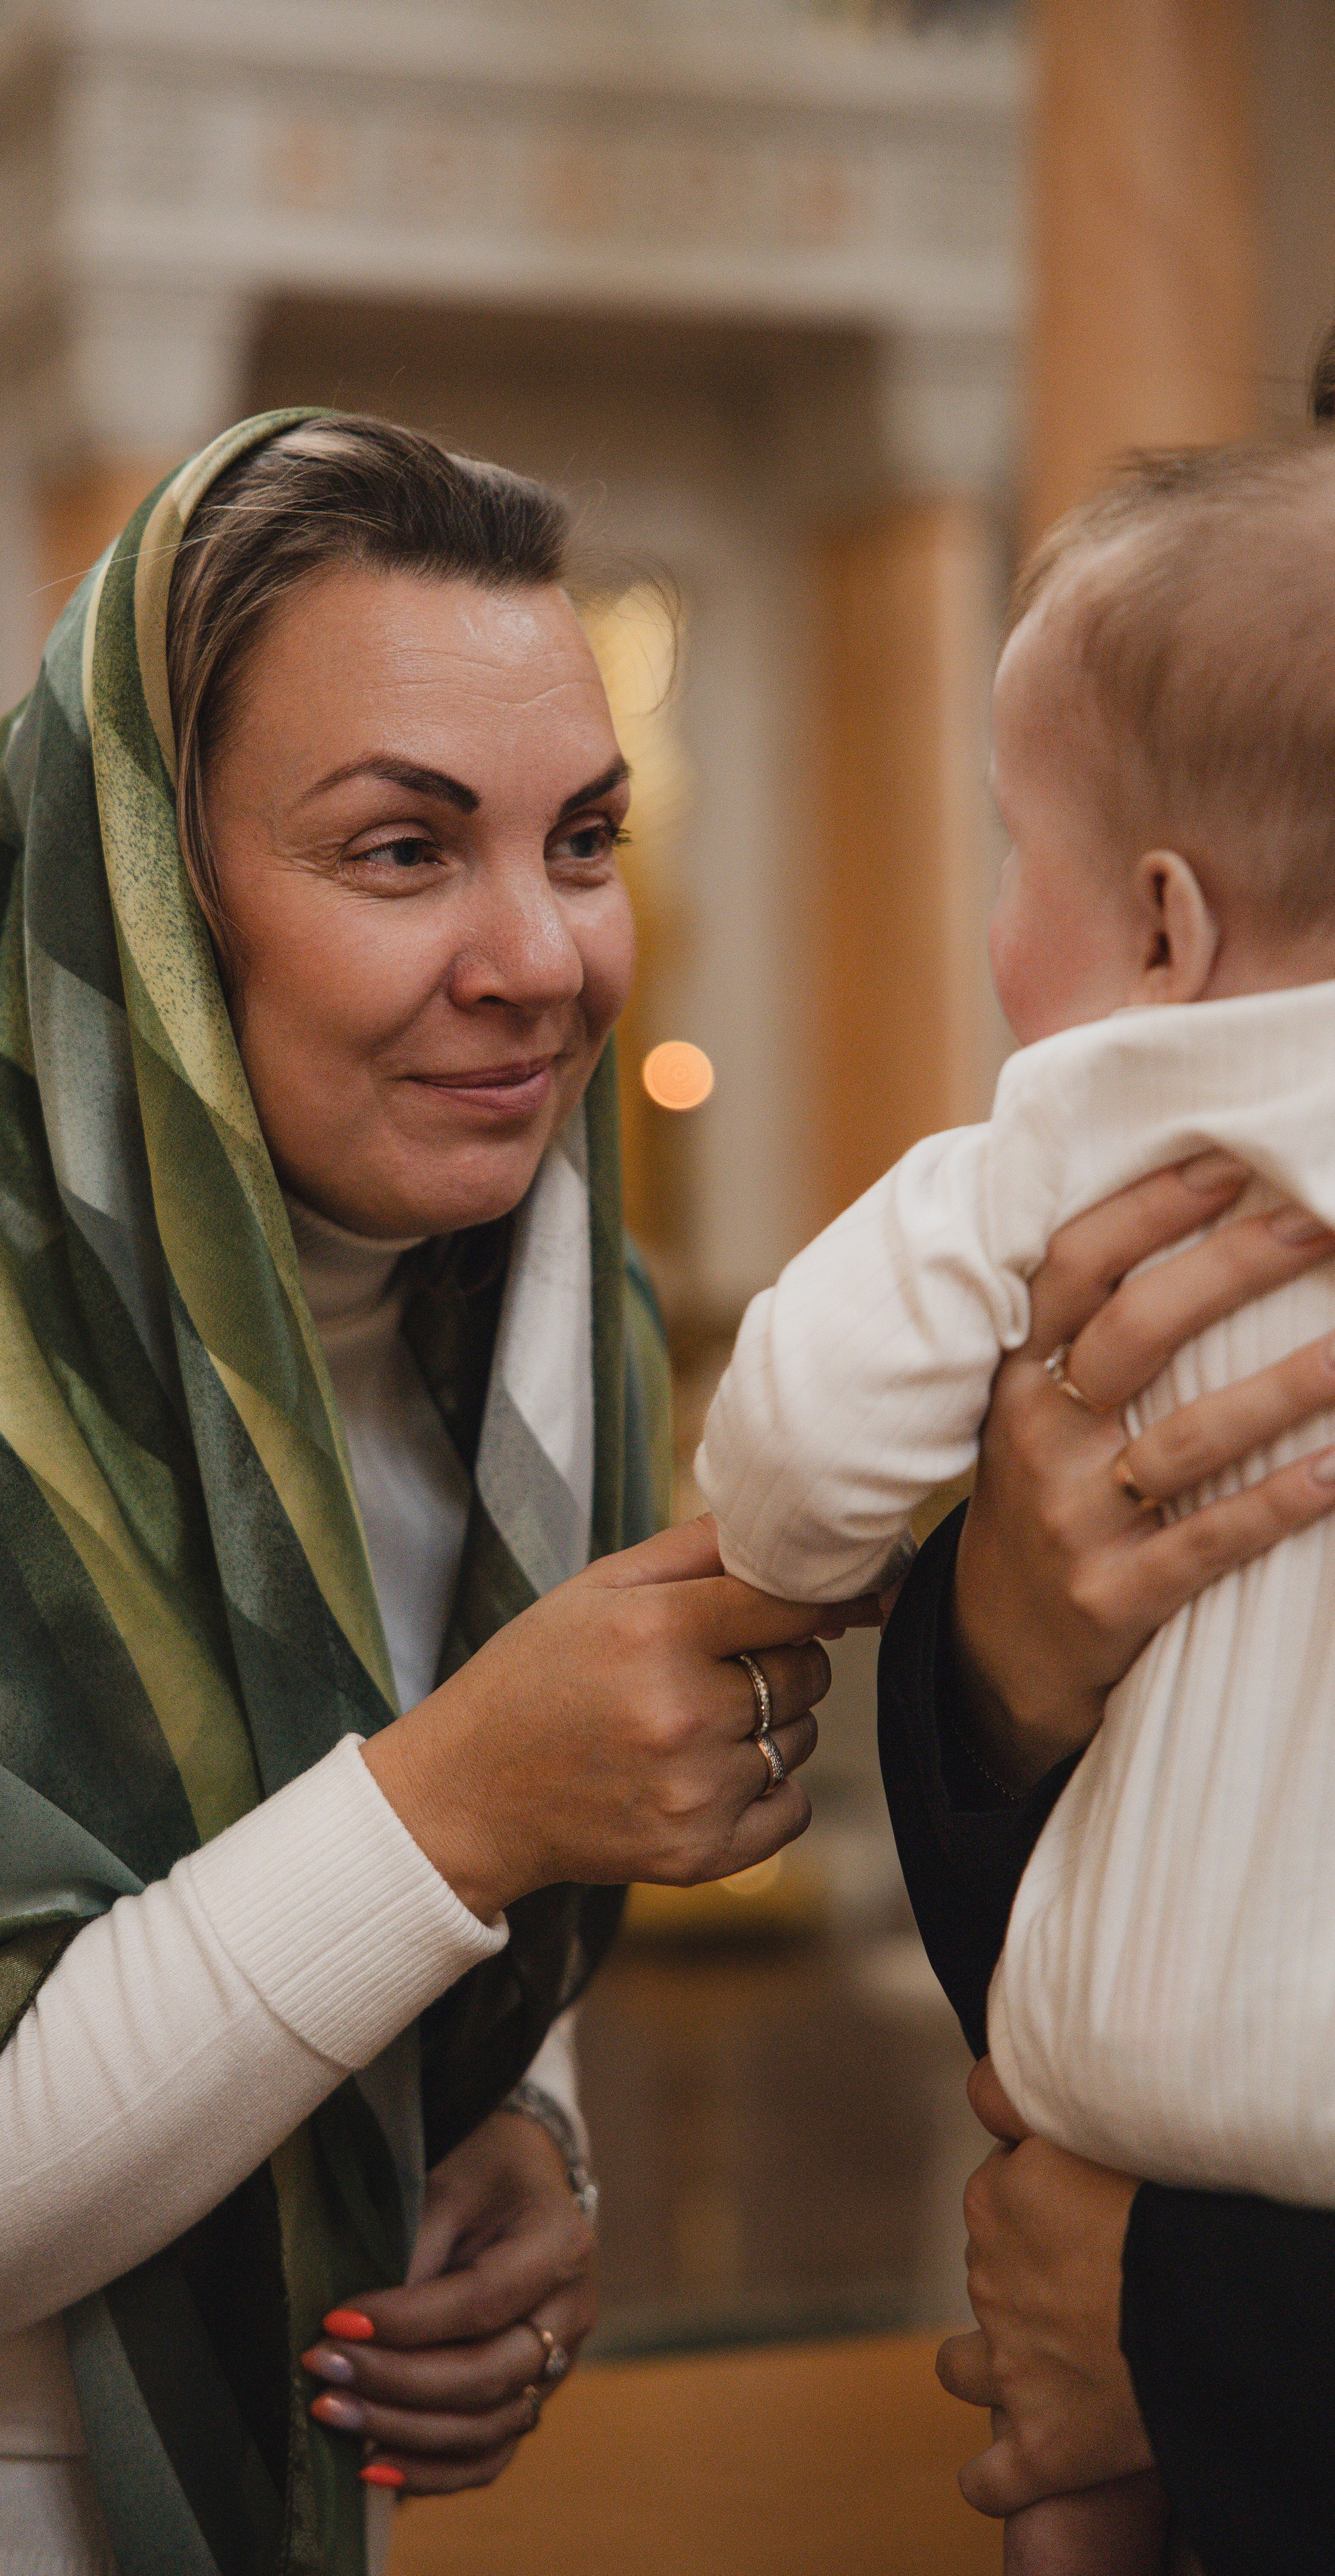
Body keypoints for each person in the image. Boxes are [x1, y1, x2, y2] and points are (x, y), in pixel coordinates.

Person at [0, 413, 845, 2576]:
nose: (544, 957)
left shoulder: (559, 1317)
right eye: (402, 851)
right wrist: (465, 1796)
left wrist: (522, 2142)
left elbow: (421, 1947)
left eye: (581, 839)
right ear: (148, 893)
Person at [699, 435, 1335, 2572]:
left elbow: (791, 1454)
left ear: (1163, 918)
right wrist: (1007, 1644)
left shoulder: (1070, 1145)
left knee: (1072, 2488)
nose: (993, 926)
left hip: (1134, 2104)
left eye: (1008, 856)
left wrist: (813, 1556)